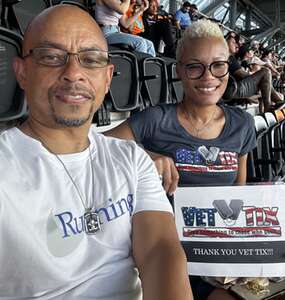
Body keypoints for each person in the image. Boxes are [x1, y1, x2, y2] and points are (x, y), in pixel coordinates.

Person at [0, 5, 193, 300]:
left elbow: (160, 251)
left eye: (90, 60)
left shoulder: (132, 159)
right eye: (52, 57)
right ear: (22, 72)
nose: (74, 73)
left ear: (107, 78)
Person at [105, 19, 256, 299]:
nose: (208, 77)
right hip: (164, 253)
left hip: (217, 256)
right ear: (179, 71)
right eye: (194, 66)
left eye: (218, 65)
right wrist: (145, 155)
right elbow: (98, 146)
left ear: (228, 68)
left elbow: (240, 192)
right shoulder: (155, 120)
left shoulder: (243, 124)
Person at [225, 31, 283, 112]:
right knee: (265, 72)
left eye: (237, 43)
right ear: (225, 41)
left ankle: (277, 102)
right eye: (234, 42)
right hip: (231, 90)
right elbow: (242, 75)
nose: (237, 45)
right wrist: (258, 79)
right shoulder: (228, 57)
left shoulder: (229, 57)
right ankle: (269, 106)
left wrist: (259, 80)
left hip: (231, 89)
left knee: (265, 79)